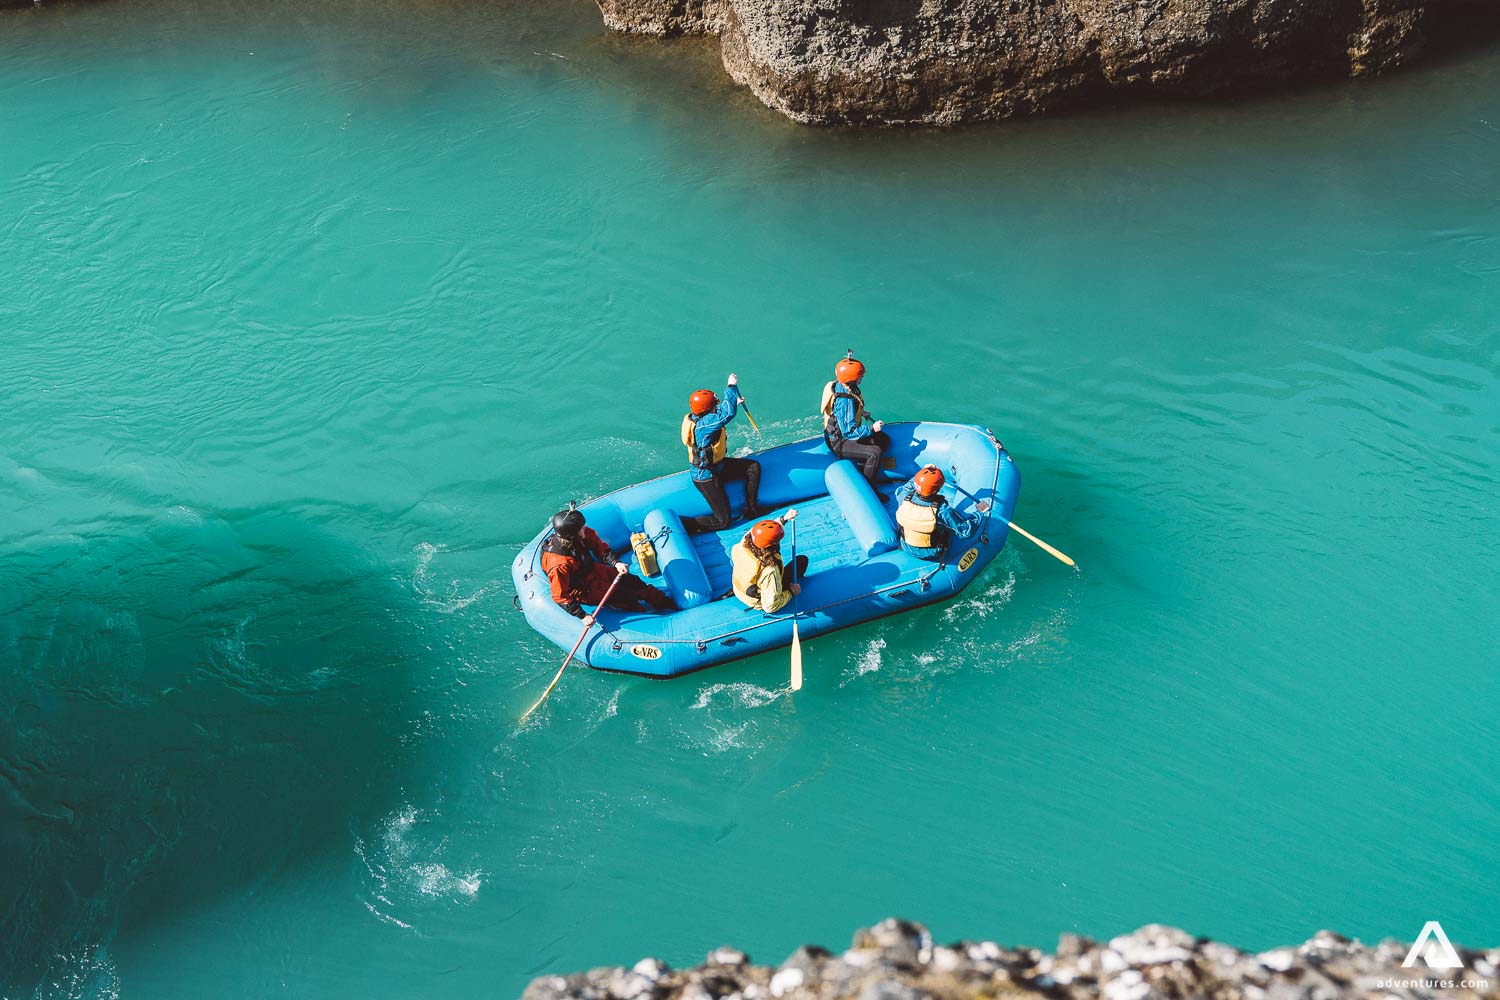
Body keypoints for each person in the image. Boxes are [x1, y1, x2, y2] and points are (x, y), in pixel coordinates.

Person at [541, 507, 675, 622]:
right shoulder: (559, 565)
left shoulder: (582, 534)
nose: (585, 529)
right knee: (624, 595)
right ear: (571, 536)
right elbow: (560, 596)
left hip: (592, 571)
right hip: (582, 589)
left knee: (633, 581)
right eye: (581, 528)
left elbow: (601, 549)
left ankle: (663, 602)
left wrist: (616, 563)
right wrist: (582, 616)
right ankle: (639, 612)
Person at [682, 373, 762, 533]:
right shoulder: (705, 425)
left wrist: (734, 403)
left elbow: (718, 413)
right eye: (714, 406)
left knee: (753, 467)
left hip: (718, 466)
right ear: (708, 410)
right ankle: (685, 525)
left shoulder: (700, 417)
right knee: (723, 521)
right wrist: (731, 387)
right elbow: (726, 414)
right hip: (705, 476)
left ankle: (751, 508)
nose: (716, 407)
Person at [820, 352, 889, 485]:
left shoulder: (841, 385)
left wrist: (861, 412)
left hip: (841, 434)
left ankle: (864, 466)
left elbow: (841, 412)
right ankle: (869, 487)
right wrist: (872, 428)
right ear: (852, 379)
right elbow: (849, 431)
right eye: (860, 376)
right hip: (839, 441)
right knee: (875, 453)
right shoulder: (844, 400)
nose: (862, 377)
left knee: (884, 440)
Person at [893, 465, 984, 561]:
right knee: (948, 527)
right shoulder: (942, 511)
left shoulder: (903, 496)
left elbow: (908, 486)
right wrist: (980, 513)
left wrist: (923, 473)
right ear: (937, 489)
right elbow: (966, 532)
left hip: (905, 545)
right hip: (930, 552)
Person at [731, 511, 809, 614]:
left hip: (740, 590)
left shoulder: (744, 543)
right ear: (772, 545)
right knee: (801, 561)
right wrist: (791, 592)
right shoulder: (770, 570)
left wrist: (784, 519)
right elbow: (770, 607)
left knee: (800, 561)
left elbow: (763, 530)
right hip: (757, 601)